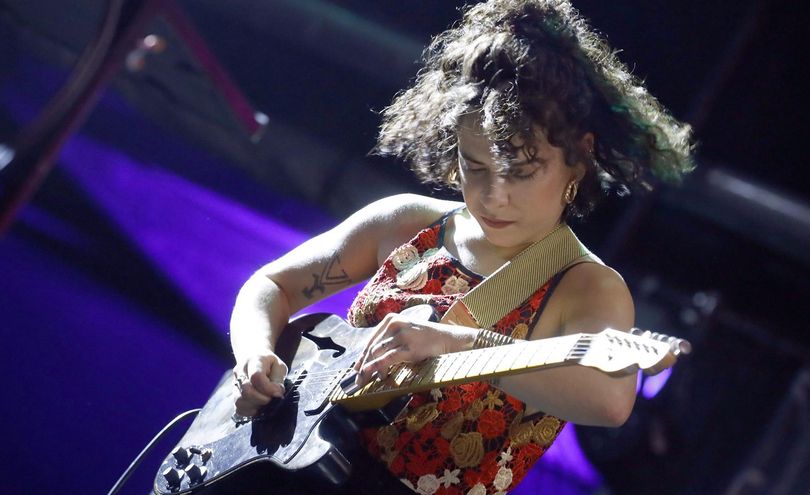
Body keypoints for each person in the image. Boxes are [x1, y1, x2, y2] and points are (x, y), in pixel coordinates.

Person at [229, 0, 694, 493]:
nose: (494, 196)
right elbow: (271, 286)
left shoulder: (589, 287)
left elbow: (610, 402)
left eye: (522, 172)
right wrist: (253, 357)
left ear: (577, 162)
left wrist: (460, 342)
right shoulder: (406, 220)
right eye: (476, 167)